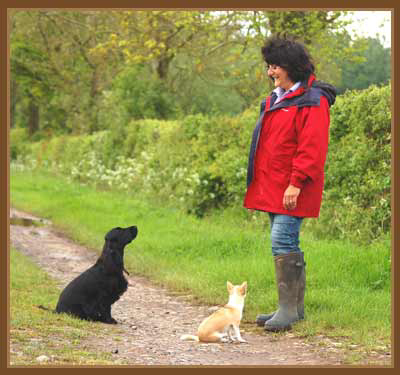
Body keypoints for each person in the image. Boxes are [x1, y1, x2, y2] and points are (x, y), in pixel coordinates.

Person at [243, 35, 336, 332]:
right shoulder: (277, 99)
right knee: (283, 242)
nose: (270, 72)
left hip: (293, 187)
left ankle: (288, 309)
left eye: (275, 66)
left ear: (291, 67)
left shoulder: (313, 100)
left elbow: (312, 147)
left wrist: (296, 183)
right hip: (273, 186)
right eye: (269, 66)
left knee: (282, 240)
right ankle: (292, 308)